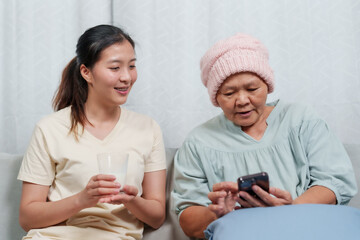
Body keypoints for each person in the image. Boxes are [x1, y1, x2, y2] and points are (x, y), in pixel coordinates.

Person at [171, 33, 358, 239]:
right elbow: (187, 218)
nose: (242, 100)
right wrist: (215, 213)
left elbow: (336, 182)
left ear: (268, 85)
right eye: (229, 93)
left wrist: (292, 207)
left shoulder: (300, 119)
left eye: (252, 89)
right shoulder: (198, 142)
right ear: (215, 97)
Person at [17, 24, 166, 240]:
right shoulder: (49, 129)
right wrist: (82, 199)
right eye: (115, 68)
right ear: (86, 72)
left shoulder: (148, 129)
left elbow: (157, 217)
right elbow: (27, 219)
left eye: (132, 66)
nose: (127, 77)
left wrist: (130, 200)